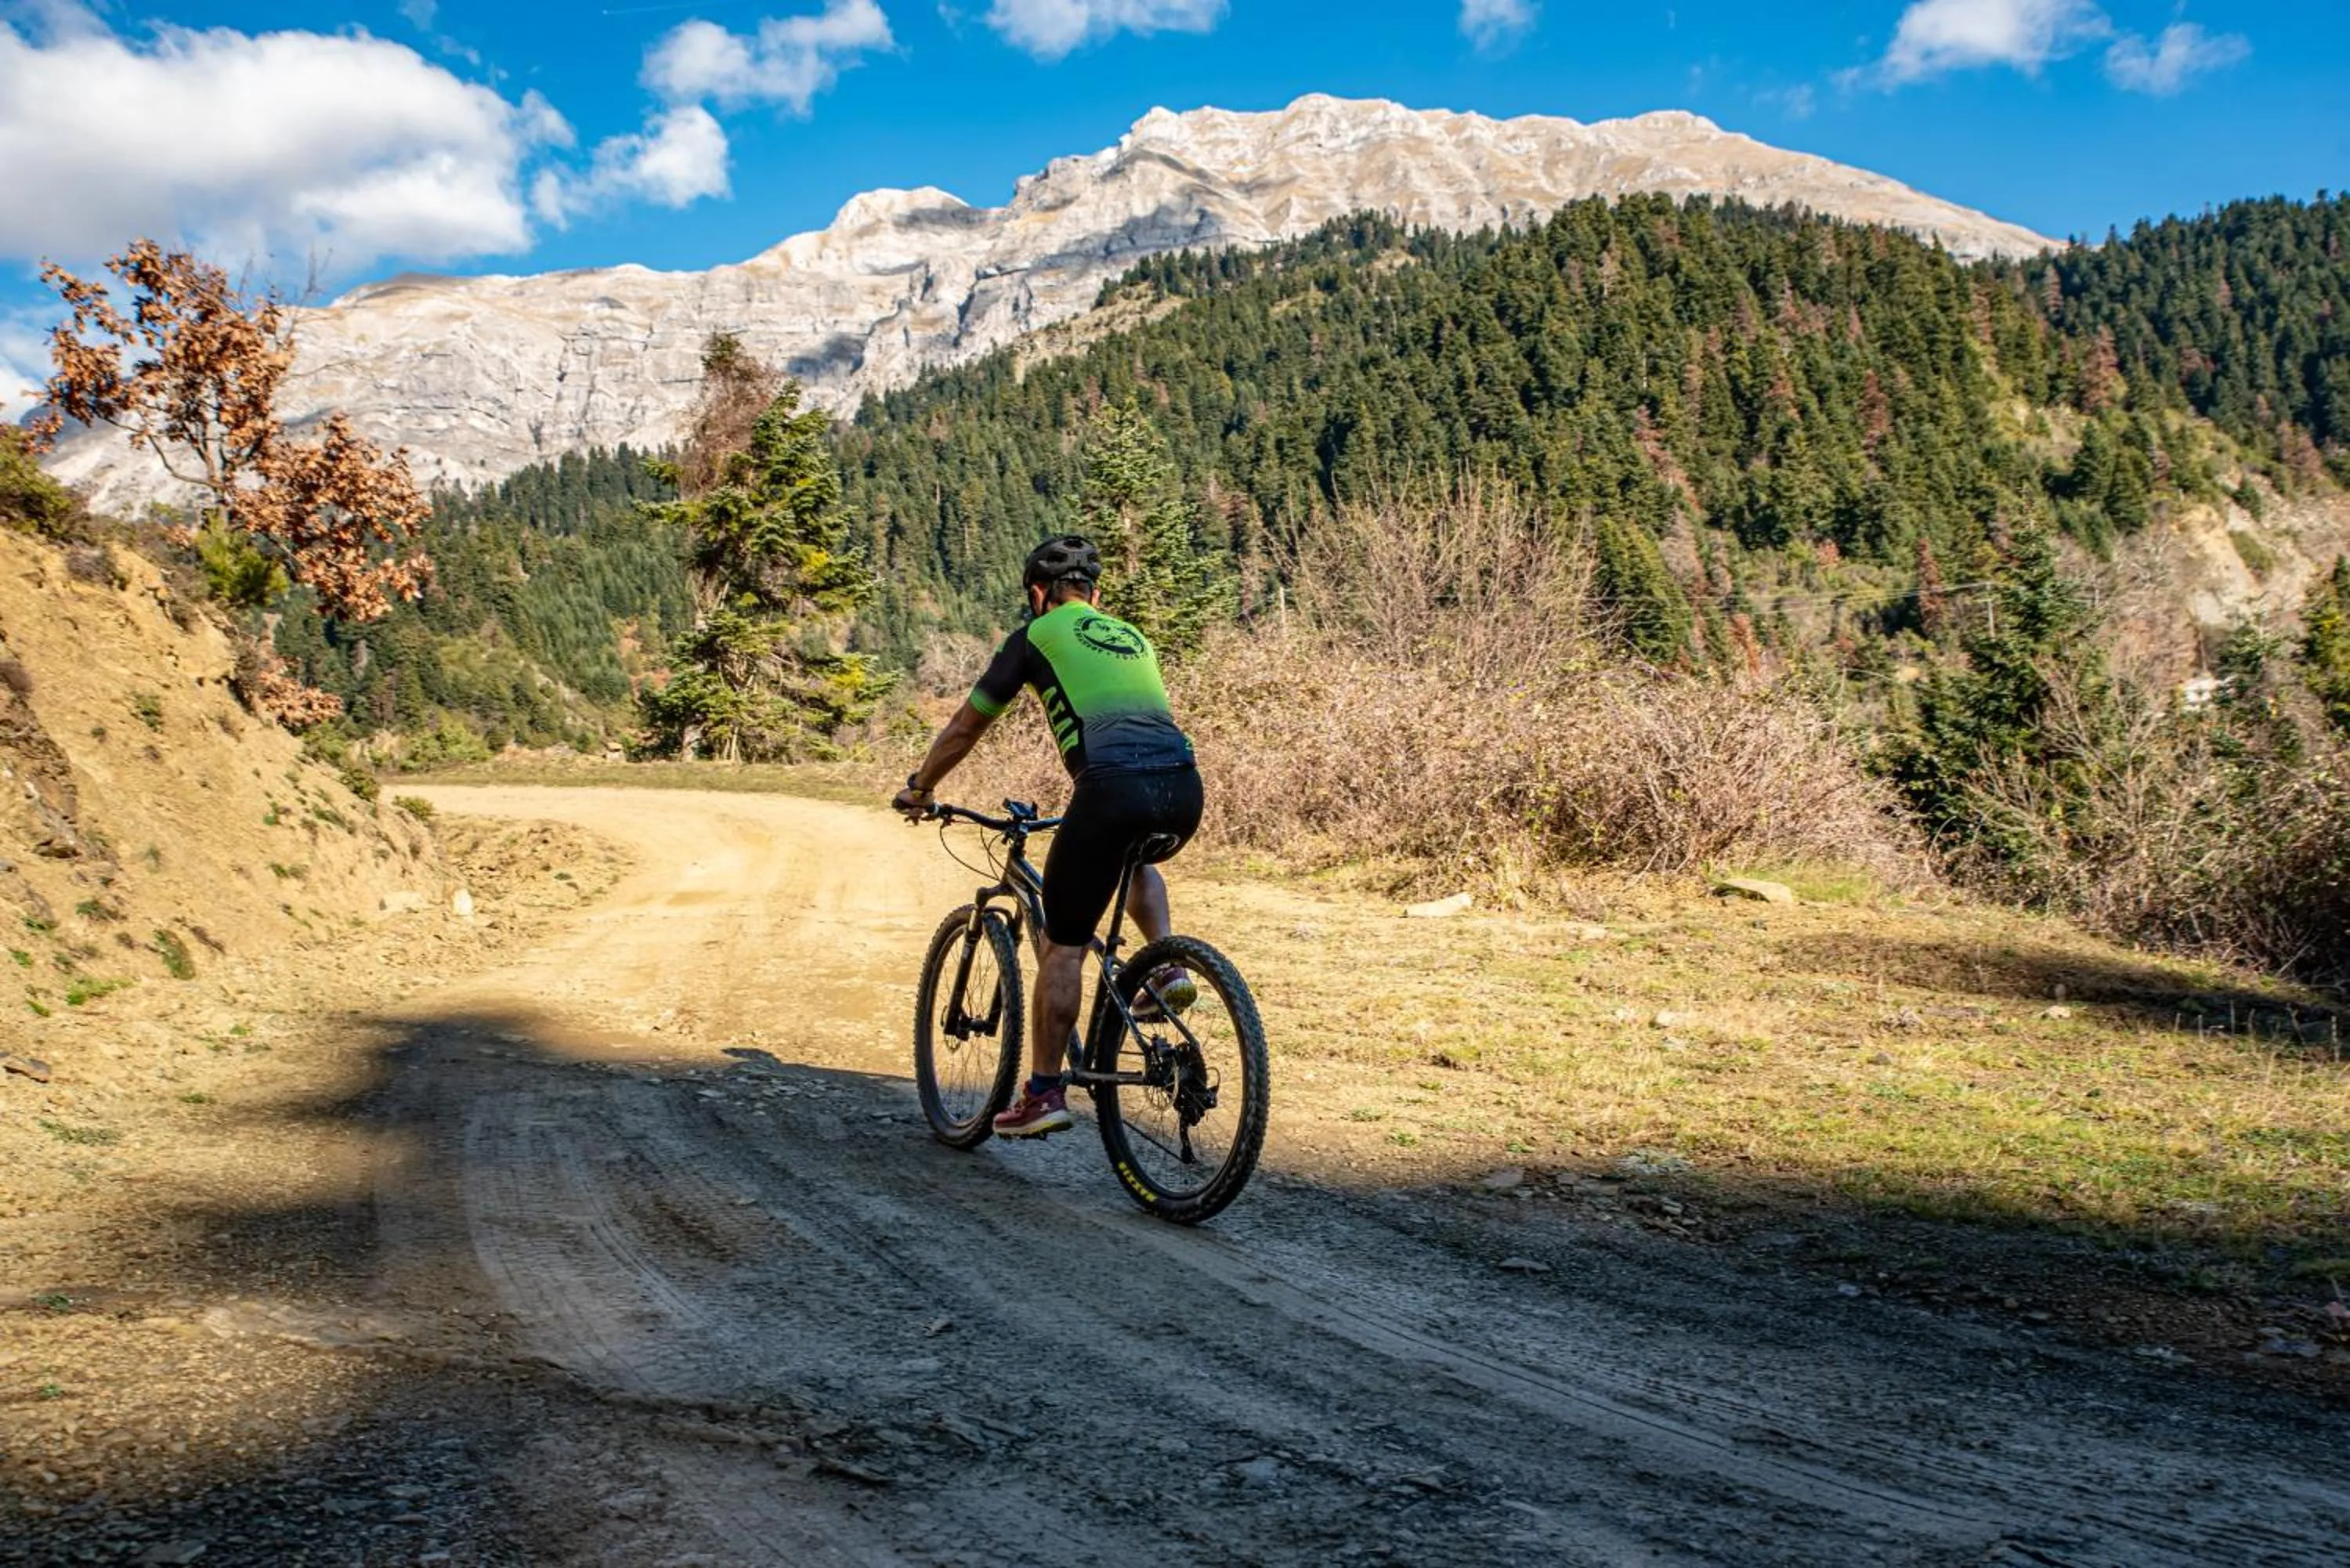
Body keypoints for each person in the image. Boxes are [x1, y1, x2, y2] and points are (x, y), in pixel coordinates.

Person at [894, 535, 1204, 1136]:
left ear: (1038, 594)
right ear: (1096, 594)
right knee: (1135, 859)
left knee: (1064, 945)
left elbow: (966, 726)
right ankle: (1167, 967)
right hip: (1184, 789)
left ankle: (1042, 1094)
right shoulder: (1130, 635)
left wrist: (921, 787)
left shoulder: (1035, 637)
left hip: (1111, 789)